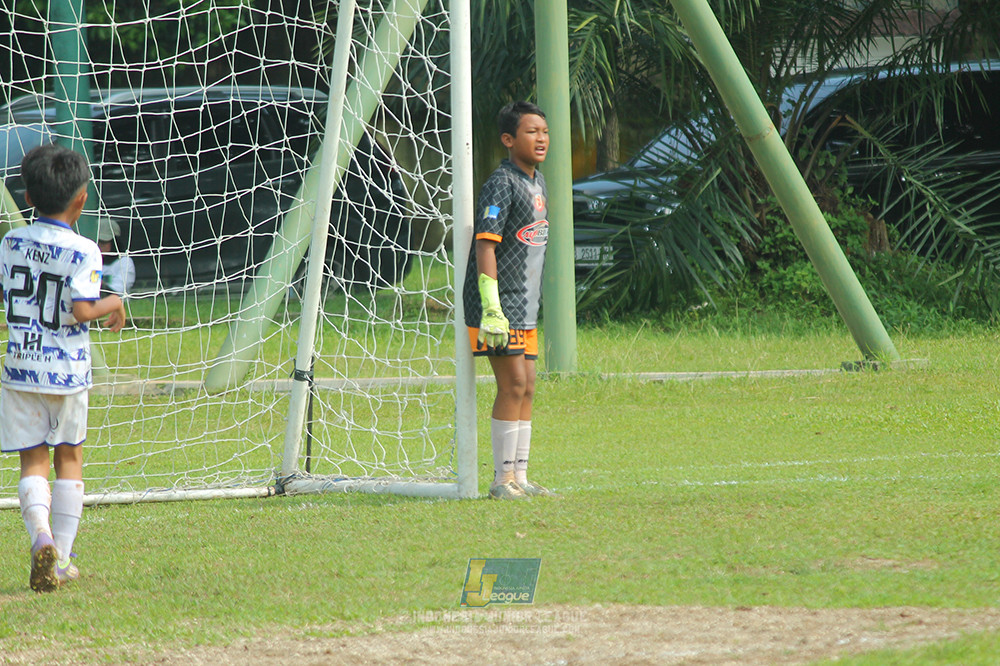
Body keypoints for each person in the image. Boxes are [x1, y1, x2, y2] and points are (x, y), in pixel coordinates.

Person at [1, 144, 126, 592]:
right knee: (68, 458)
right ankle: (63, 560)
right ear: (81, 199)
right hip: (67, 373)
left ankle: (40, 538)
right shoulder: (84, 250)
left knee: (32, 461)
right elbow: (82, 309)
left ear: (29, 199)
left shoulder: (10, 242)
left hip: (20, 370)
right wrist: (115, 301)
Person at [464, 101, 554, 500]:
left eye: (544, 132)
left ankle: (521, 476)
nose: (541, 139)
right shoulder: (501, 183)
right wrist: (491, 306)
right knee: (513, 383)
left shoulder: (539, 182)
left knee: (529, 385)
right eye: (532, 132)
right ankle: (501, 481)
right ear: (508, 139)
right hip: (499, 308)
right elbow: (485, 244)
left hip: (527, 305)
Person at [96, 216, 136, 296]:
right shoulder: (90, 260)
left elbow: (116, 292)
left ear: (115, 242)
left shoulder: (125, 262)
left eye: (103, 242)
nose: (98, 246)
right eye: (96, 241)